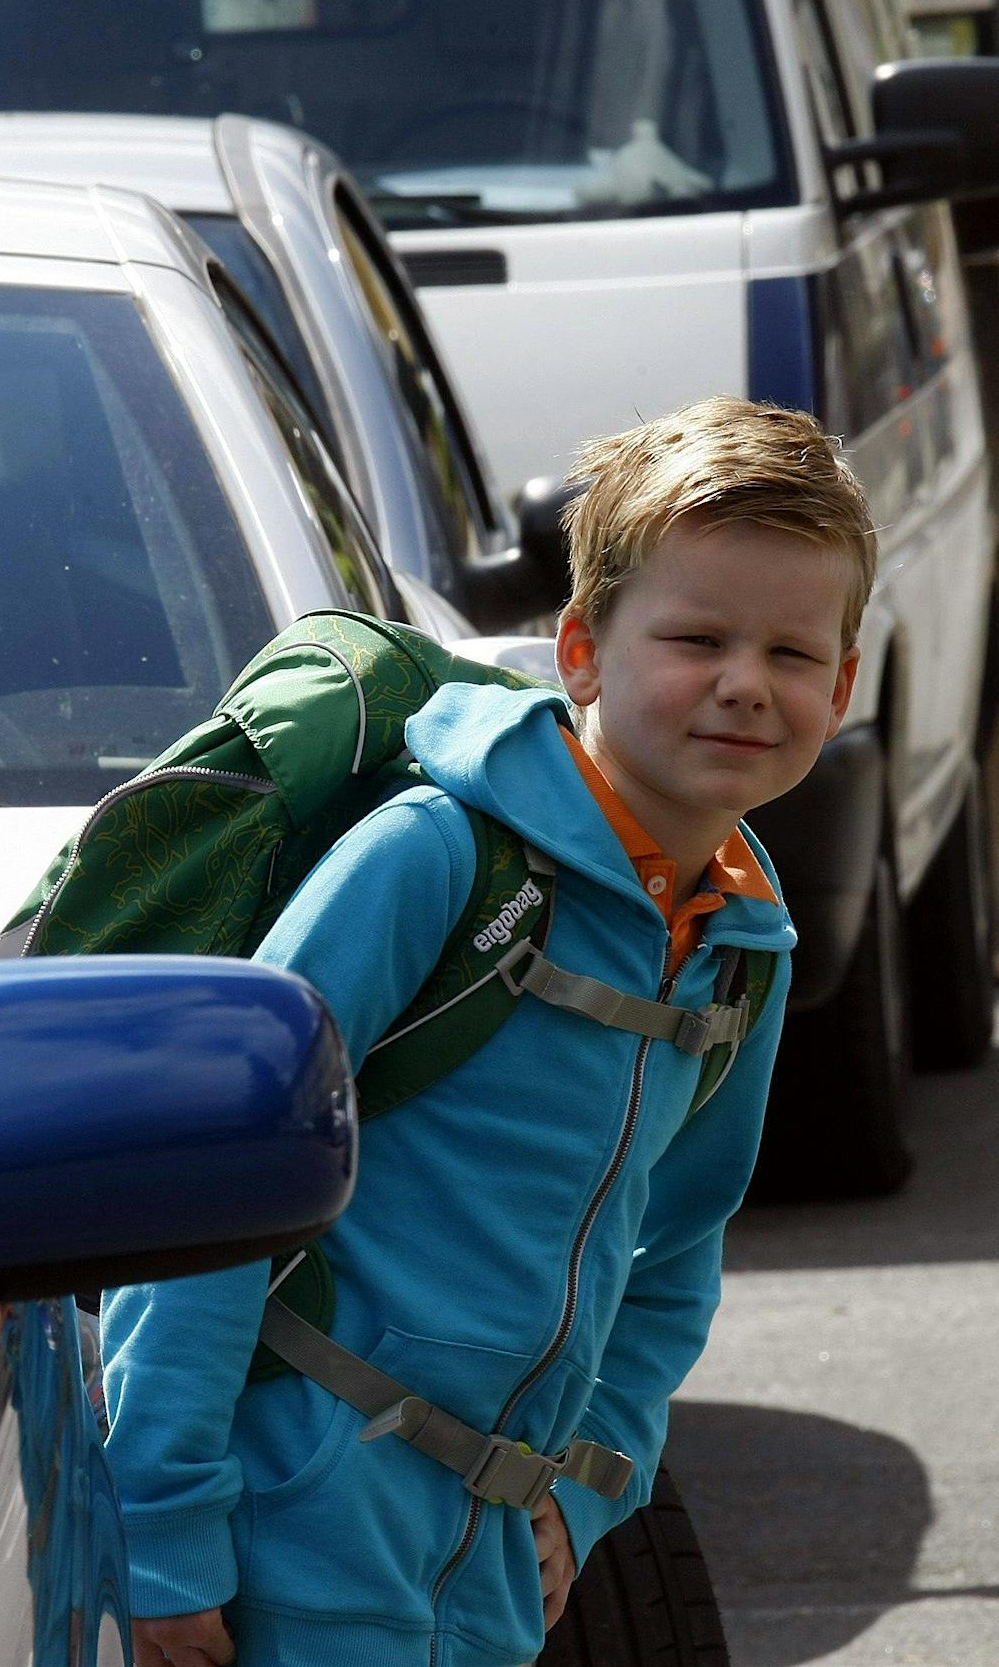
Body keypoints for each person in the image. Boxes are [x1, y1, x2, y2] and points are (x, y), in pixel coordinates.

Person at [102, 397, 876, 1667]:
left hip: (488, 1567)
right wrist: (162, 1524)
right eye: (694, 638)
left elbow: (672, 1252)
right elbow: (208, 1180)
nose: (744, 683)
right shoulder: (435, 859)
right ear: (580, 651)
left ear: (840, 688)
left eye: (792, 655)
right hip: (289, 1526)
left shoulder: (742, 936)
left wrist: (586, 1486)